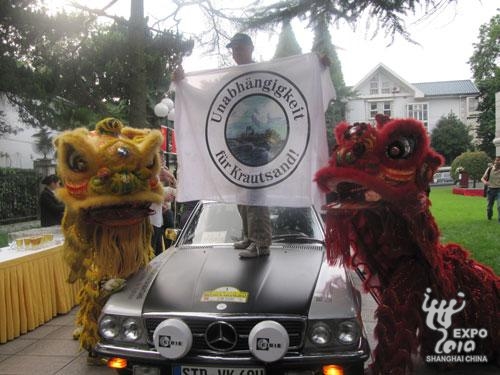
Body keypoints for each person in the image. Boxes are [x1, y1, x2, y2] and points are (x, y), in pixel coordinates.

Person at [481, 156, 500, 221]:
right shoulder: (489, 169)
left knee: (499, 206)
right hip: (491, 190)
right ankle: (489, 216)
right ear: (494, 161)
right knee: (489, 207)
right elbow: (482, 178)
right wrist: (485, 182)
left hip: (499, 190)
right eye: (497, 160)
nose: (498, 162)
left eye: (499, 160)